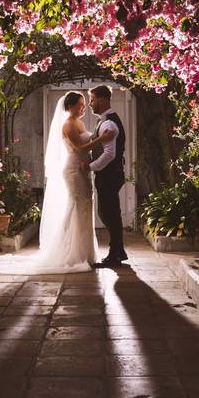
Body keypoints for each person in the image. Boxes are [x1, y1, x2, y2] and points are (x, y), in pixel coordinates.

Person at [0, 91, 114, 274]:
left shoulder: (80, 122)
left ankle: (86, 253)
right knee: (77, 207)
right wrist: (102, 139)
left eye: (85, 103)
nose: (84, 107)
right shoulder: (68, 125)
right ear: (70, 106)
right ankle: (71, 253)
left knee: (86, 207)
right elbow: (80, 147)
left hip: (83, 169)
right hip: (73, 170)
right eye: (80, 104)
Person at [84, 85, 128, 268]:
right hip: (110, 174)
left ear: (102, 99)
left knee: (109, 213)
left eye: (92, 100)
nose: (90, 104)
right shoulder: (104, 121)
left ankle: (115, 255)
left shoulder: (108, 123)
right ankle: (118, 252)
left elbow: (109, 154)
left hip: (109, 174)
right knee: (109, 213)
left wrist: (90, 167)